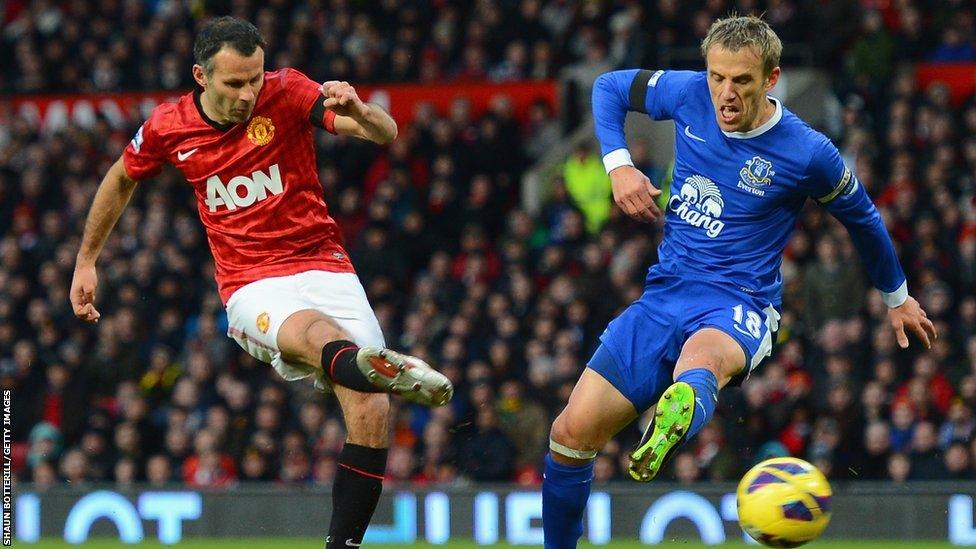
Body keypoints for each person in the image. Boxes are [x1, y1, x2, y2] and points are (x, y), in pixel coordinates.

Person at [542, 15, 937, 548]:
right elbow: (609, 87)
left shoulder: (807, 151)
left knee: (699, 363)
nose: (725, 94)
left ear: (771, 78)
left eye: (742, 81)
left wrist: (898, 298)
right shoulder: (689, 94)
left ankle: (682, 402)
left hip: (738, 302)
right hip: (666, 293)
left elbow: (863, 217)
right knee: (569, 435)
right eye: (716, 77)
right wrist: (617, 164)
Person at [68, 17, 453, 549]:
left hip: (324, 263)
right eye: (235, 83)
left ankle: (342, 545)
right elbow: (119, 179)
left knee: (371, 405)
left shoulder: (289, 90)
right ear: (201, 75)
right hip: (251, 281)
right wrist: (87, 261)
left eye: (255, 78)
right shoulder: (167, 125)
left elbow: (383, 133)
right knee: (318, 335)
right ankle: (365, 362)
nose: (249, 92)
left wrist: (360, 110)